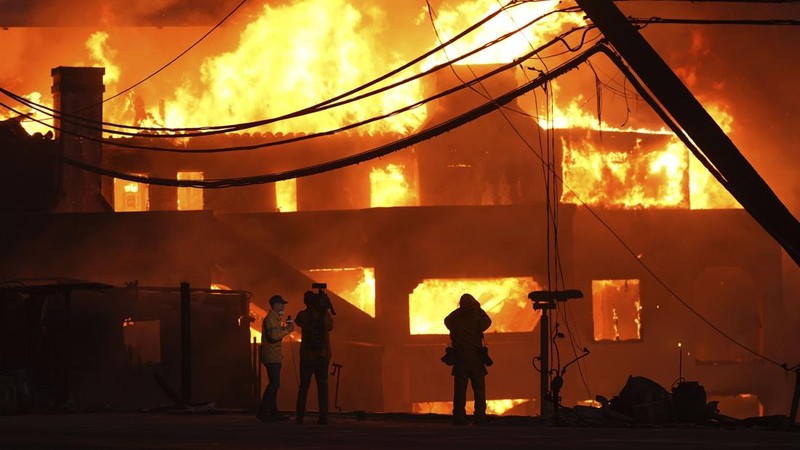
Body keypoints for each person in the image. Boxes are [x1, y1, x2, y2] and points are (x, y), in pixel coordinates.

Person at [444, 293, 492, 425]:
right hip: (476, 358)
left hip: (460, 358)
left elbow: (447, 320)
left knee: (459, 390)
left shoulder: (455, 318)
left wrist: (460, 310)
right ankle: (480, 417)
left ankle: (459, 417)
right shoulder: (477, 317)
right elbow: (488, 322)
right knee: (479, 389)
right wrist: (478, 308)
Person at [294, 290, 334, 425]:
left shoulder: (303, 315)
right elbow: (330, 327)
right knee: (322, 387)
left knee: (304, 387)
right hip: (322, 356)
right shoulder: (325, 316)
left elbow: (297, 321)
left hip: (307, 357)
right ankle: (323, 417)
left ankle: (299, 417)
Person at [257, 294, 294, 422]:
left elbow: (275, 334)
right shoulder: (270, 319)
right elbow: (273, 336)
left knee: (275, 384)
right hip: (271, 356)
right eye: (282, 304)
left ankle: (272, 411)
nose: (283, 306)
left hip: (274, 356)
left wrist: (285, 328)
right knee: (274, 384)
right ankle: (264, 411)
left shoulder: (275, 319)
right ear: (276, 305)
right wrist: (287, 331)